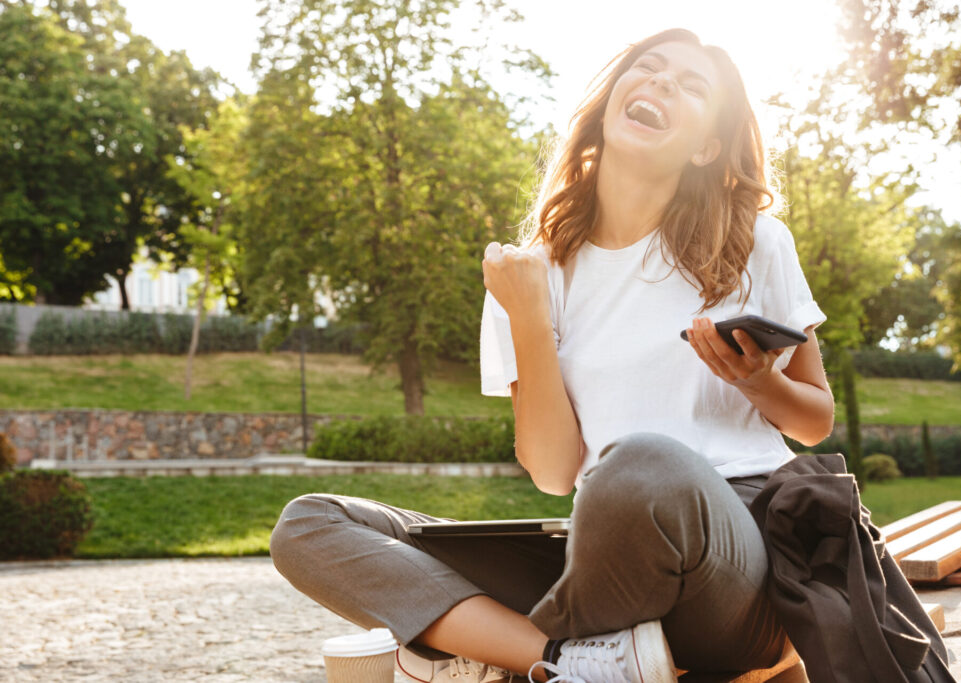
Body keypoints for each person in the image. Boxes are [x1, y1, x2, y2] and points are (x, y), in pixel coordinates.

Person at [269, 27, 834, 683]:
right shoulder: (529, 272)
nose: (661, 83)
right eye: (649, 68)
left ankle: (507, 650)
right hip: (602, 548)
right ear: (613, 99)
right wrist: (531, 318)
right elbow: (554, 471)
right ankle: (570, 661)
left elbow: (814, 420)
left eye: (690, 86)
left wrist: (760, 383)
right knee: (308, 525)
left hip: (737, 557)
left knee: (643, 462)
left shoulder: (753, 241)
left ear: (706, 146)